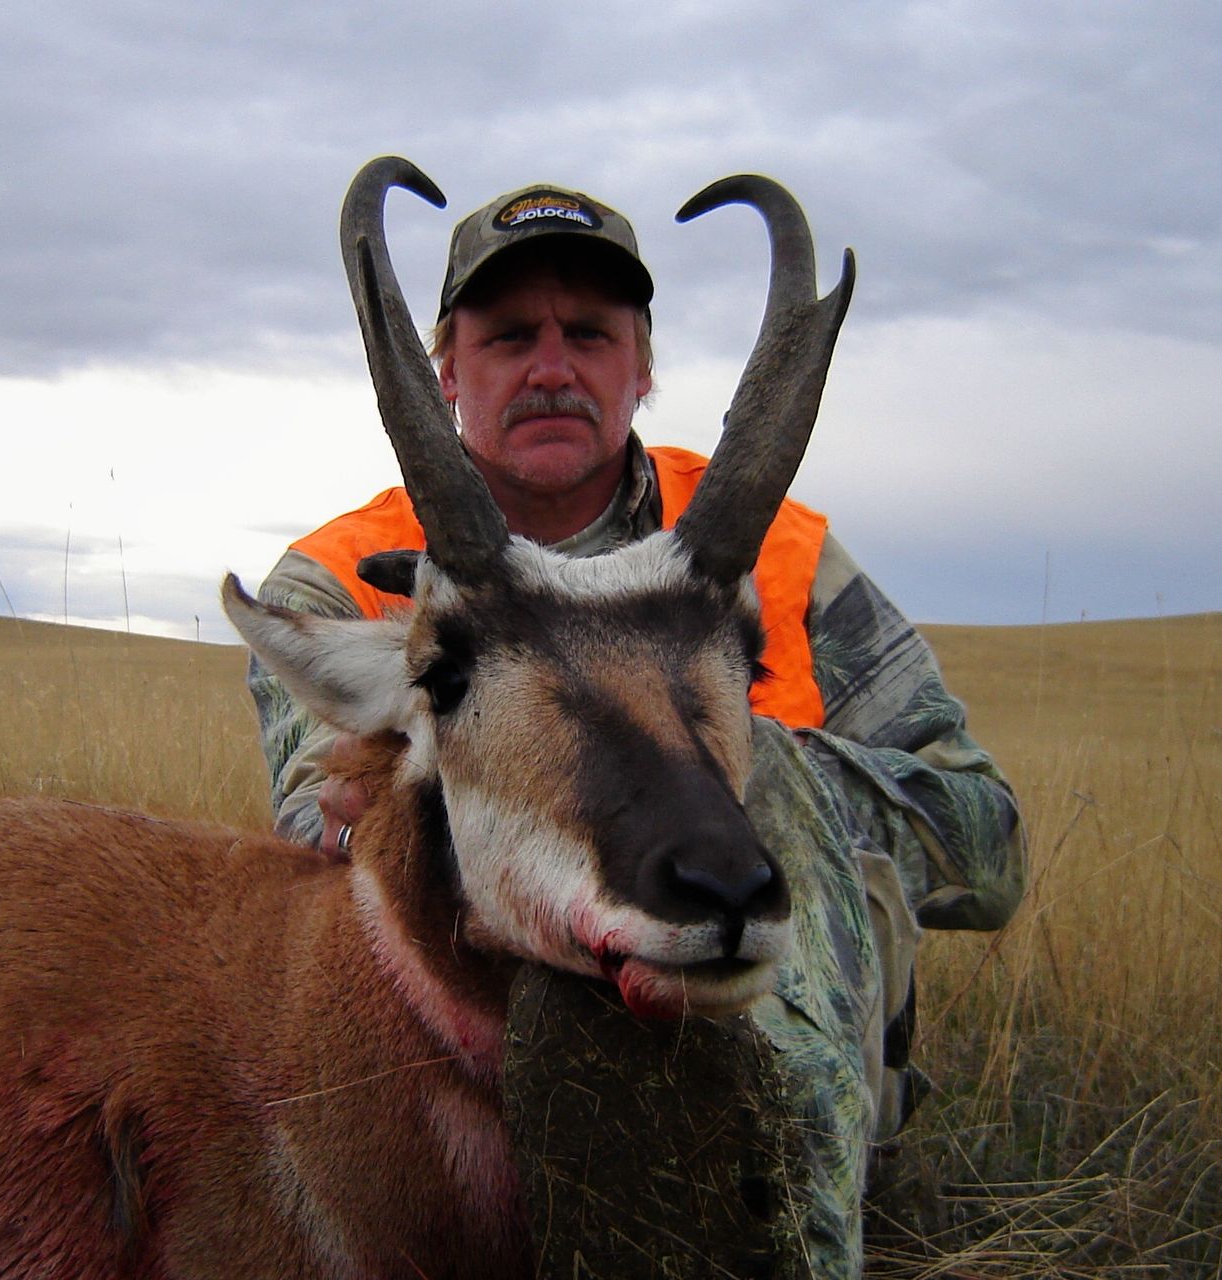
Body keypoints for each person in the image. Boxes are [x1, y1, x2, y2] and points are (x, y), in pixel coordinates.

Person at [247, 181, 1025, 1273]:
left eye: (589, 333)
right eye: (509, 336)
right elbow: (316, 824)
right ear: (447, 370)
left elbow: (987, 846)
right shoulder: (337, 583)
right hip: (459, 1094)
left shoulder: (783, 558)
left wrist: (741, 780)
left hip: (781, 1072)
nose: (551, 367)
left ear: (642, 365)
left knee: (770, 785)